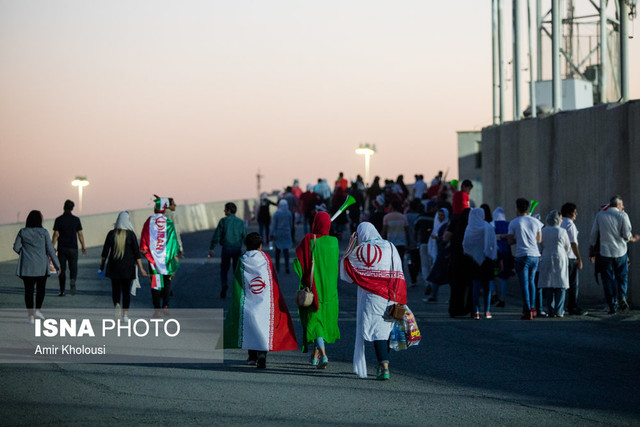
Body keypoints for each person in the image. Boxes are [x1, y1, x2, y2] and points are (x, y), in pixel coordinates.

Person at [340, 222, 407, 381]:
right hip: (391, 294)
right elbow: (398, 269)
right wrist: (400, 296)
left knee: (378, 331)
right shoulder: (390, 246)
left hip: (371, 297)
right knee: (386, 327)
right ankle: (385, 363)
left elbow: (346, 270)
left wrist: (351, 245)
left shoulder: (360, 250)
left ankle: (383, 366)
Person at [224, 232, 298, 369]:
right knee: (264, 327)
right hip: (264, 300)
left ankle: (251, 356)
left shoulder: (242, 259)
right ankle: (262, 355)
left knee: (249, 327)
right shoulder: (266, 258)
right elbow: (272, 279)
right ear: (260, 246)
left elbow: (237, 281)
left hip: (248, 300)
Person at [294, 212, 340, 369]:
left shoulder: (309, 240)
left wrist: (302, 278)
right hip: (331, 292)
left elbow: (298, 262)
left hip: (315, 290)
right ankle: (315, 356)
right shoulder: (334, 242)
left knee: (315, 322)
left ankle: (323, 354)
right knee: (324, 320)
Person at [589, 195, 640, 314]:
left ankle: (612, 305)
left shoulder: (600, 215)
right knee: (622, 276)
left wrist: (591, 250)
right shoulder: (623, 215)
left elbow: (594, 235)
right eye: (622, 204)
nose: (623, 206)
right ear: (618, 205)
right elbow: (627, 235)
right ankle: (622, 296)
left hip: (605, 252)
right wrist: (633, 238)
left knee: (607, 279)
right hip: (620, 252)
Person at [13, 210, 60, 323]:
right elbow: (50, 250)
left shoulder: (22, 231)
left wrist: (23, 253)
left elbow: (15, 247)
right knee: (41, 289)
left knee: (28, 291)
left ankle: (30, 317)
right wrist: (57, 265)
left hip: (27, 267)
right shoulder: (44, 232)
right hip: (41, 266)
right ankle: (38, 310)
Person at [100, 211, 148, 321]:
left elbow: (105, 253)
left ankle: (117, 304)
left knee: (115, 289)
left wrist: (102, 266)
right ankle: (125, 315)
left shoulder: (111, 234)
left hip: (114, 267)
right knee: (126, 292)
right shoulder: (131, 235)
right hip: (128, 268)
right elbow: (137, 254)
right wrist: (141, 268)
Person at [140, 196, 180, 314]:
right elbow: (173, 241)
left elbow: (144, 240)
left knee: (156, 283)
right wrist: (174, 256)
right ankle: (165, 305)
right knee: (167, 282)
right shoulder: (168, 222)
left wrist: (145, 251)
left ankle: (157, 309)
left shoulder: (149, 221)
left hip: (153, 259)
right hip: (166, 258)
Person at [507, 198, 542, 320]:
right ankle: (533, 308)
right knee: (532, 282)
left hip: (521, 255)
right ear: (528, 208)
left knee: (524, 284)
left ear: (517, 208)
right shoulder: (535, 222)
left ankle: (527, 310)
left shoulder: (514, 222)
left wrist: (518, 239)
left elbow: (510, 241)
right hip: (535, 255)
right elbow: (539, 240)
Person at [463, 208, 497, 319]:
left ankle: (476, 311)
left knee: (476, 286)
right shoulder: (488, 227)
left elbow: (466, 244)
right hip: (487, 260)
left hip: (474, 261)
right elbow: (493, 243)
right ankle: (487, 311)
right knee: (486, 286)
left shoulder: (469, 227)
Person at [209, 202, 247, 299]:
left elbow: (217, 235)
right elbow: (245, 236)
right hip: (237, 249)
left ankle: (224, 284)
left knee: (224, 269)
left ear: (229, 211)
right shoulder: (240, 222)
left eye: (225, 209)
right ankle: (237, 290)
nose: (224, 211)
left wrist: (212, 247)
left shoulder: (223, 221)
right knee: (236, 270)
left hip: (226, 248)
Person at [538, 210, 571, 318]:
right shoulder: (562, 231)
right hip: (560, 257)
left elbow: (540, 246)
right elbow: (567, 247)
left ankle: (550, 309)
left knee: (548, 284)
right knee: (560, 284)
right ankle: (559, 310)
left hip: (546, 257)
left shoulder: (543, 230)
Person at [52, 199, 86, 296]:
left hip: (62, 248)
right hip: (73, 248)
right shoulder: (76, 220)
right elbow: (80, 234)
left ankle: (62, 290)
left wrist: (51, 247)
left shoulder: (58, 220)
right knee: (73, 267)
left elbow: (56, 234)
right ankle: (72, 280)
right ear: (72, 208)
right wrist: (83, 246)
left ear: (64, 207)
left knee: (61, 269)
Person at [560, 203, 586, 315]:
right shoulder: (570, 225)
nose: (576, 214)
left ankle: (560, 306)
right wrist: (579, 258)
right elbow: (573, 243)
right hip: (570, 258)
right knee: (573, 284)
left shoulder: (560, 223)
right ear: (569, 213)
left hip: (562, 257)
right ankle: (572, 307)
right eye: (575, 212)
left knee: (562, 284)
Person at [446, 208, 473, 317]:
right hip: (469, 259)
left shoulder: (456, 223)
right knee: (469, 285)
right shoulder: (473, 226)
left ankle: (454, 309)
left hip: (456, 258)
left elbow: (445, 238)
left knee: (456, 285)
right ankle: (469, 308)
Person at [425, 208, 450, 302]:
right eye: (439, 215)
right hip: (439, 252)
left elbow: (445, 239)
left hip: (444, 253)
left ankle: (433, 295)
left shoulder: (446, 225)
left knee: (437, 274)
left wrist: (437, 237)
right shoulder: (437, 225)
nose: (440, 217)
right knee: (436, 275)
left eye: (442, 215)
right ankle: (433, 295)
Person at [492, 207, 514, 307]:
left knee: (493, 275)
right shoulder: (509, 224)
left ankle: (494, 293)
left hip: (495, 255)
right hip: (506, 254)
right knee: (504, 277)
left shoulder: (491, 224)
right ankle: (502, 298)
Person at [381, 200, 410, 267]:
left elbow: (384, 231)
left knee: (391, 262)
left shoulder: (387, 217)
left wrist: (381, 241)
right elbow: (406, 231)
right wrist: (408, 242)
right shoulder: (403, 217)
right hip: (401, 243)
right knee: (400, 261)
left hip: (391, 243)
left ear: (391, 207)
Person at [270, 200, 293, 273]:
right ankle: (287, 266)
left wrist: (271, 234)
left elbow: (273, 225)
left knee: (277, 251)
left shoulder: (276, 214)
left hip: (278, 233)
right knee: (286, 251)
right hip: (286, 233)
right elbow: (291, 224)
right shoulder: (289, 213)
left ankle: (277, 267)